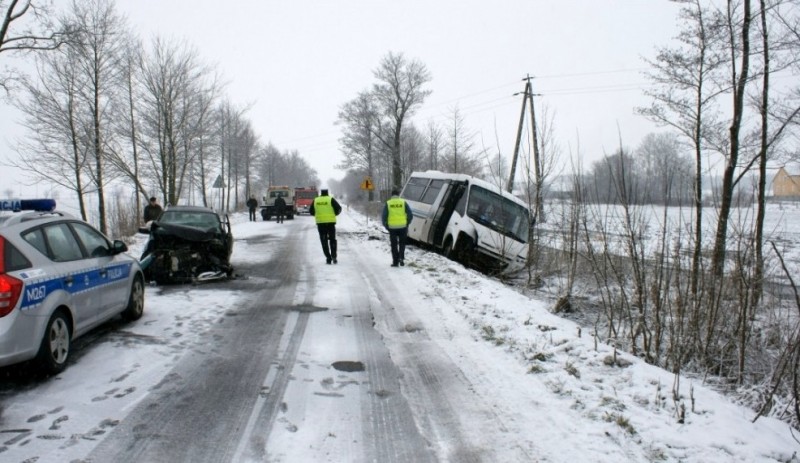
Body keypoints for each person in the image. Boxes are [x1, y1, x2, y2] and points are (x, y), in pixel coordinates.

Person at [309, 188, 342, 264]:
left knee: (324, 241)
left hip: (321, 224)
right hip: (331, 223)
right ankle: (334, 256)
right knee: (332, 239)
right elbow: (339, 208)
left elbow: (311, 211)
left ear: (321, 193)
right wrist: (335, 214)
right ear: (327, 193)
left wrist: (317, 215)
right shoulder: (330, 199)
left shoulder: (316, 200)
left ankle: (328, 258)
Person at [382, 189, 414, 267]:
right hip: (403, 227)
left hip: (392, 227)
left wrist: (386, 226)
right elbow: (410, 214)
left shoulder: (388, 203)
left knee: (394, 244)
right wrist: (407, 223)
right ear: (398, 194)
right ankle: (401, 258)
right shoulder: (403, 202)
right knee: (402, 243)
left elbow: (384, 216)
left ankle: (395, 262)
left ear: (392, 195)